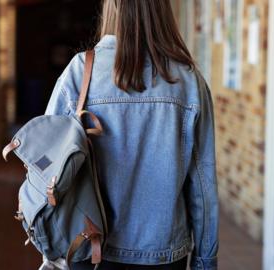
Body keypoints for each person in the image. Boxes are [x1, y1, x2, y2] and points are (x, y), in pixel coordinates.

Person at [44, 0, 219, 270]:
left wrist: (50, 251)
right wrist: (205, 261)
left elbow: (46, 168)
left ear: (112, 6)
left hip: (87, 249)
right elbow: (203, 190)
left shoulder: (80, 73)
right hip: (163, 255)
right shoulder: (189, 82)